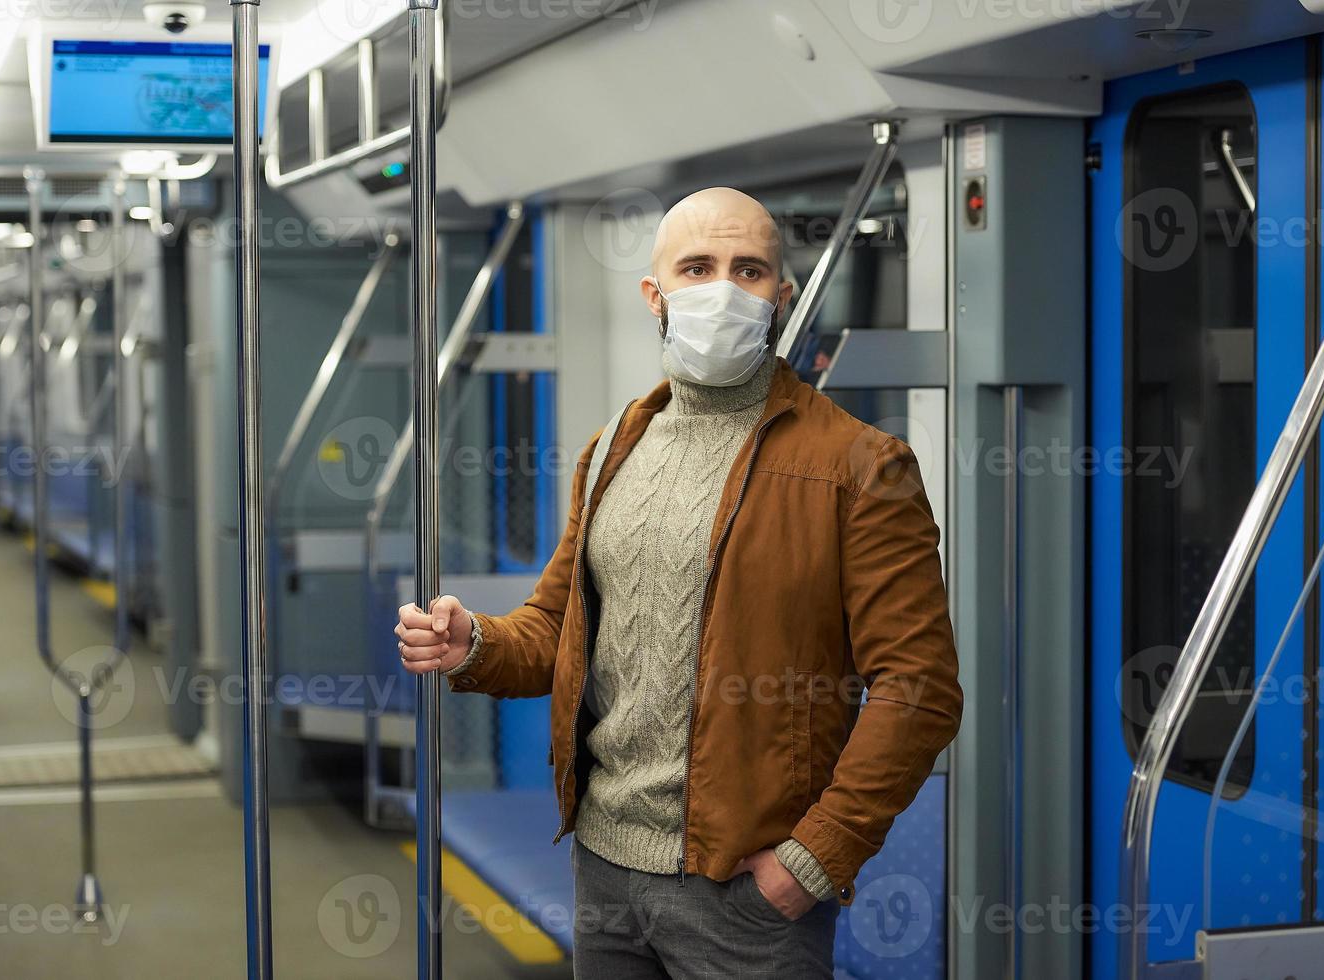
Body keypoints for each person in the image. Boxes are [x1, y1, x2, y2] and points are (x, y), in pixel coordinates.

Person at [398, 186, 961, 978]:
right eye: (697, 268)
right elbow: (558, 631)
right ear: (654, 295)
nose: (723, 288)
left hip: (747, 894)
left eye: (750, 269)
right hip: (602, 868)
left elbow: (919, 687)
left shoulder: (863, 467)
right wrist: (474, 644)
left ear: (782, 297)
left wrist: (811, 861)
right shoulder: (611, 450)